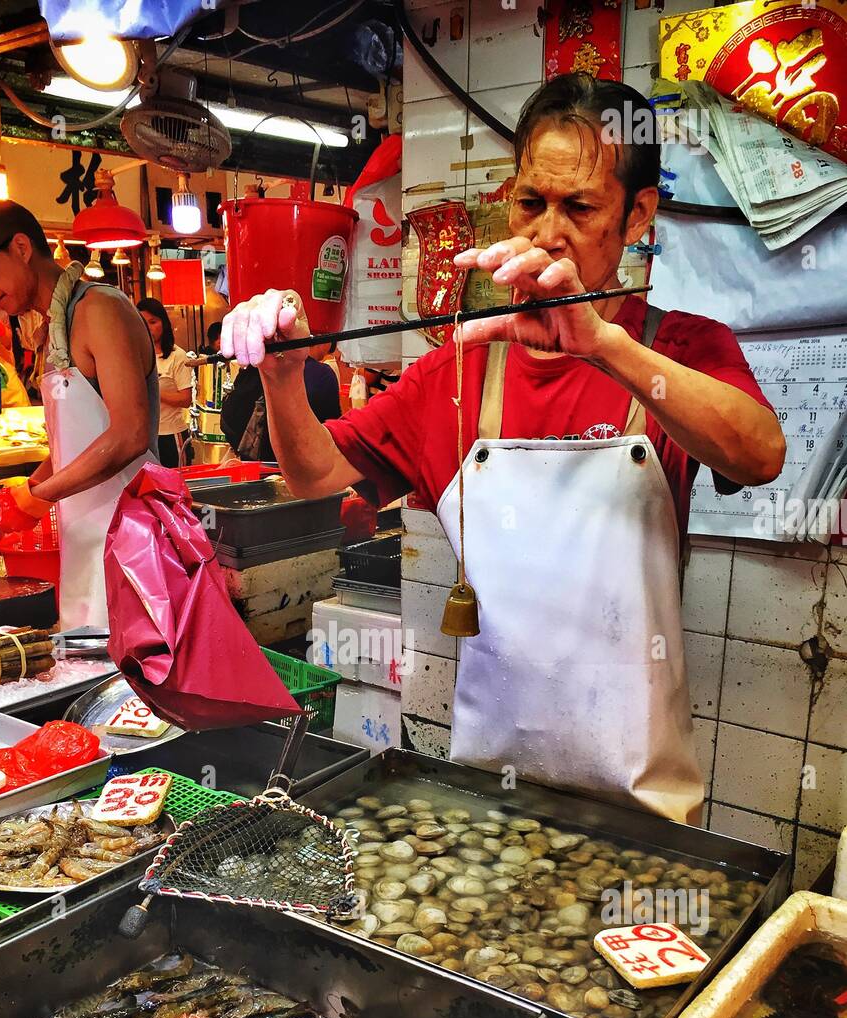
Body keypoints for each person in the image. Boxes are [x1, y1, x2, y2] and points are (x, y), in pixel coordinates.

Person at [220, 76, 785, 825]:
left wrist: (605, 346)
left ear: (637, 214)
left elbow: (761, 454)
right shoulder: (461, 368)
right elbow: (316, 473)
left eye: (579, 208)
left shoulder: (674, 349)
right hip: (488, 791)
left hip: (639, 802)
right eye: (530, 203)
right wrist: (284, 377)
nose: (548, 232)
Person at [0, 200, 159, 630]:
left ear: (22, 247)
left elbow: (129, 434)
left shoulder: (99, 309)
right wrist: (24, 492)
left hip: (134, 542)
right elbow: (76, 447)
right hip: (84, 542)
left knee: (126, 686)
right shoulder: (55, 330)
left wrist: (37, 497)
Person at [220, 335, 340, 462]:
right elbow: (332, 431)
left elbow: (231, 415)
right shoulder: (323, 375)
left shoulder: (263, 361)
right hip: (299, 464)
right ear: (320, 338)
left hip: (253, 457)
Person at [136, 297, 193, 469]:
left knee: (176, 487)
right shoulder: (137, 356)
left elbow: (185, 399)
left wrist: (152, 390)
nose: (148, 327)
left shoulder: (177, 355)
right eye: (142, 322)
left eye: (153, 322)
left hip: (171, 435)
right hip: (145, 436)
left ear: (164, 323)